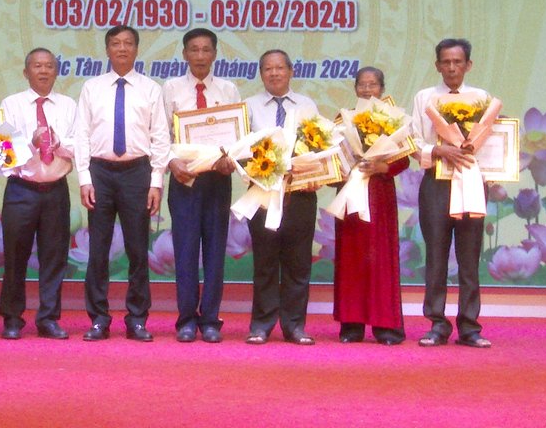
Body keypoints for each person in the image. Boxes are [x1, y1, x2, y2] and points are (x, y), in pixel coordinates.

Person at [73, 25, 171, 342]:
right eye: (116, 43)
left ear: (137, 49)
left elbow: (160, 137)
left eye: (128, 43)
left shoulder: (150, 89)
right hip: (100, 173)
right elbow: (81, 135)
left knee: (138, 250)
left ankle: (137, 319)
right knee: (98, 250)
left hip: (137, 173)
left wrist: (156, 182)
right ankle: (98, 319)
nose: (122, 48)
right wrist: (85, 178)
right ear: (107, 50)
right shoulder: (91, 88)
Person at [410, 38, 492, 348]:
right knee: (436, 256)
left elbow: (493, 141)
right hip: (437, 183)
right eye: (446, 62)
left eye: (458, 62)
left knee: (469, 258)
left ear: (468, 65)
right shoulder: (425, 98)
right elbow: (414, 142)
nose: (452, 67)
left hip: (471, 182)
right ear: (437, 65)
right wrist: (438, 150)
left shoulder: (482, 99)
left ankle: (470, 327)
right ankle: (437, 325)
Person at [161, 28, 241, 343]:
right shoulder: (170, 88)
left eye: (206, 49)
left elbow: (238, 135)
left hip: (218, 178)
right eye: (193, 49)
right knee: (185, 250)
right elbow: (161, 134)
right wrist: (171, 162)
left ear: (215, 54)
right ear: (184, 54)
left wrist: (230, 159)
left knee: (215, 251)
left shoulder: (228, 89)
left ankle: (209, 320)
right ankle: (185, 320)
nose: (200, 56)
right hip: (185, 179)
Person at [0, 48, 76, 340]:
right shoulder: (11, 104)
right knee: (15, 256)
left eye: (49, 66)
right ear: (26, 72)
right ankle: (12, 318)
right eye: (37, 66)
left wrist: (58, 143)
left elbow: (80, 144)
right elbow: (3, 149)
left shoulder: (68, 105)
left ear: (56, 71)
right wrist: (31, 143)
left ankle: (48, 319)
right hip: (22, 189)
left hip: (56, 190)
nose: (43, 71)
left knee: (54, 257)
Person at [244, 49, 320, 346]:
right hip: (262, 194)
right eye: (268, 69)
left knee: (298, 263)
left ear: (291, 71)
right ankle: (261, 325)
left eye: (279, 68)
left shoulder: (307, 104)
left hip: (300, 193)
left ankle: (295, 326)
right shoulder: (249, 106)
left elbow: (318, 147)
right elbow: (242, 149)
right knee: (264, 262)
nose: (274, 73)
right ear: (261, 73)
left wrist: (315, 175)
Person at [332, 66, 407, 345]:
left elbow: (404, 158)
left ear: (382, 88)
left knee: (380, 260)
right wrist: (338, 171)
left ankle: (385, 326)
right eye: (362, 84)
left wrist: (382, 166)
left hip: (379, 195)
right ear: (355, 88)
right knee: (351, 260)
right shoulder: (342, 119)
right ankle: (351, 325)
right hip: (350, 195)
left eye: (372, 84)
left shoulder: (392, 119)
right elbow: (332, 156)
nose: (367, 89)